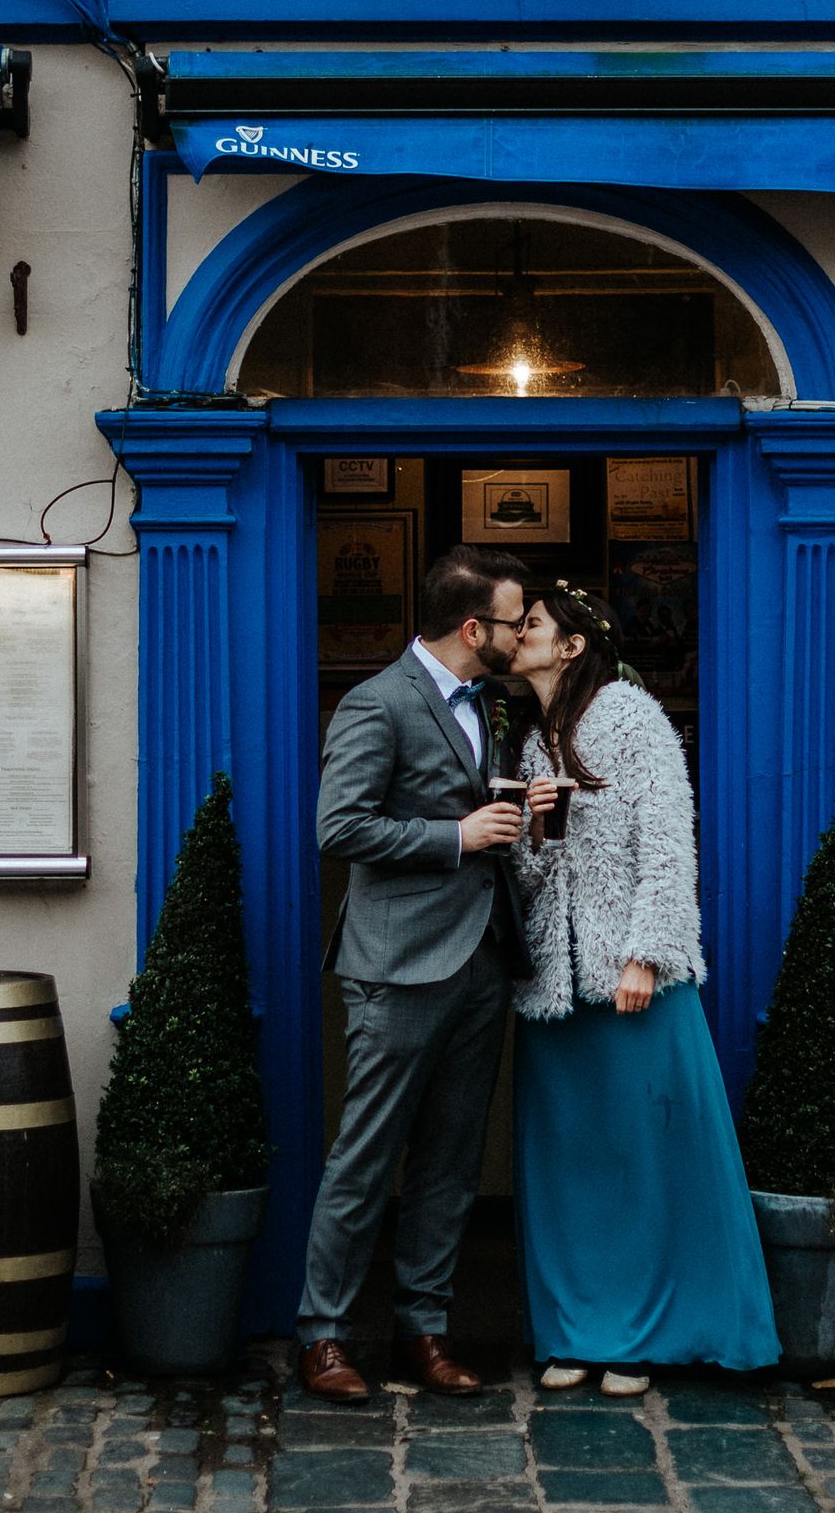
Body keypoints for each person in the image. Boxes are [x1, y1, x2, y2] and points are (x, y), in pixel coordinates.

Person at [506, 581, 779, 1394]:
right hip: (556, 989)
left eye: (532, 625)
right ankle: (573, 1331)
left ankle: (639, 1337)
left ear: (573, 645)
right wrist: (533, 828)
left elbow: (669, 842)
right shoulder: (529, 745)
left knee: (640, 1163)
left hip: (631, 986)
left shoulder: (633, 719)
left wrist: (645, 957)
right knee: (567, 1168)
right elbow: (525, 879)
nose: (517, 635)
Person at [295, 545, 547, 1405]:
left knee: (450, 1157)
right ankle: (323, 1334)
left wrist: (514, 808)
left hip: (481, 957)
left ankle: (422, 1329)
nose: (526, 633)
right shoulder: (379, 702)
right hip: (398, 967)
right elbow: (340, 827)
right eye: (517, 620)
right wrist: (457, 838)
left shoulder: (495, 705)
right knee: (365, 1156)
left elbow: (469, 802)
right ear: (474, 627)